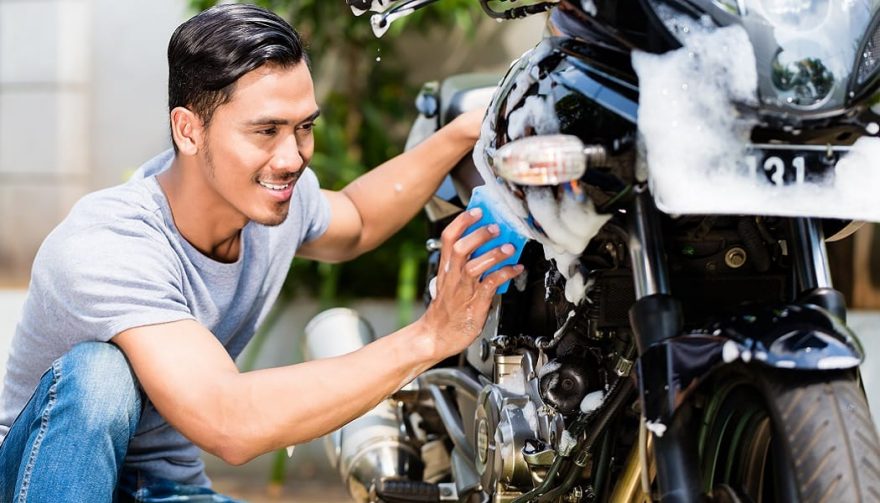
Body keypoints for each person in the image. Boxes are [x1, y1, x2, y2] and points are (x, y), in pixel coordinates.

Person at [0, 4, 522, 501]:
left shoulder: (268, 200)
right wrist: (430, 335)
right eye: (266, 131)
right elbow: (231, 421)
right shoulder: (109, 244)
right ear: (188, 129)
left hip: (161, 490)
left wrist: (464, 132)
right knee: (99, 374)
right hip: (37, 481)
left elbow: (359, 218)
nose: (292, 157)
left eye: (304, 127)